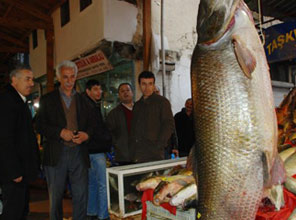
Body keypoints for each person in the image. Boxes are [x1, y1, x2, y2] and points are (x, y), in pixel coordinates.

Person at [35, 60, 95, 220]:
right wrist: (59, 132)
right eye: (65, 77)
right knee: (55, 198)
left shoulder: (85, 101)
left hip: (78, 154)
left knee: (81, 195)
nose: (69, 81)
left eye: (72, 77)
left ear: (76, 77)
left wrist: (86, 135)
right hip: (56, 154)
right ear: (59, 78)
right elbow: (39, 125)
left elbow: (94, 126)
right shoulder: (47, 100)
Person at [0, 65, 40, 220]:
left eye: (32, 79)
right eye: (27, 79)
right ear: (14, 80)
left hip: (21, 172)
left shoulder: (19, 100)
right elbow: (4, 139)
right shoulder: (7, 101)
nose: (31, 83)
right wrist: (14, 171)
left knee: (20, 211)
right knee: (13, 213)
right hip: (13, 174)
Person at [129, 71, 175, 163]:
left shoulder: (162, 102)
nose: (147, 88)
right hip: (138, 153)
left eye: (150, 84)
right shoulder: (137, 105)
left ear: (154, 85)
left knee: (156, 177)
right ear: (139, 85)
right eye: (144, 84)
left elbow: (169, 124)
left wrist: (159, 145)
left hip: (155, 153)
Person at [82, 79, 111, 220]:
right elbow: (96, 129)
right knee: (102, 184)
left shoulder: (90, 104)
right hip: (96, 150)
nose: (99, 92)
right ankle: (103, 215)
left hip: (88, 151)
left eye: (100, 89)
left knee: (92, 184)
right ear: (88, 91)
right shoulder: (90, 106)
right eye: (95, 89)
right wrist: (107, 139)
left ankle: (91, 212)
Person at [106, 83, 134, 165]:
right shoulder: (113, 114)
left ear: (132, 93)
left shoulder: (140, 109)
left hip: (141, 154)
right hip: (124, 156)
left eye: (128, 90)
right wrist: (118, 145)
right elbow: (110, 134)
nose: (125, 93)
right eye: (122, 91)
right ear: (119, 95)